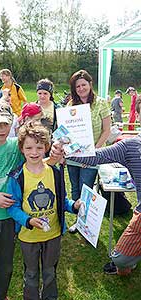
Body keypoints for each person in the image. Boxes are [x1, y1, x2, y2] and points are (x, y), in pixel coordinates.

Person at [0, 100, 57, 300]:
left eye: (6, 124)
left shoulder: (16, 146)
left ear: (12, 122)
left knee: (5, 266)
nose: (2, 129)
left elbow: (36, 162)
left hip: (8, 217)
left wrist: (54, 154)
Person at [51, 95, 141, 276]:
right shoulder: (131, 145)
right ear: (137, 116)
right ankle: (127, 261)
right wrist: (65, 155)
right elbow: (97, 156)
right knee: (120, 261)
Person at [7, 122, 81, 300]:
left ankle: (50, 297)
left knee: (50, 271)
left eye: (39, 147)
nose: (34, 152)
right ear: (22, 149)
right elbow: (12, 206)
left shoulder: (54, 173)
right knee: (31, 273)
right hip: (29, 236)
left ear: (46, 147)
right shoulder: (17, 176)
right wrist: (28, 220)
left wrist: (74, 206)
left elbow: (61, 200)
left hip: (53, 234)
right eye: (29, 147)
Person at [66, 70, 111, 233]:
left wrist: (94, 152)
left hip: (92, 156)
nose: (81, 88)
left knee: (86, 188)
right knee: (75, 189)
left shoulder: (100, 103)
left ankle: (87, 223)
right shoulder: (71, 105)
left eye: (84, 84)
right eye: (77, 86)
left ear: (90, 85)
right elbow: (66, 131)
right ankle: (79, 221)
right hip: (73, 156)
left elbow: (107, 130)